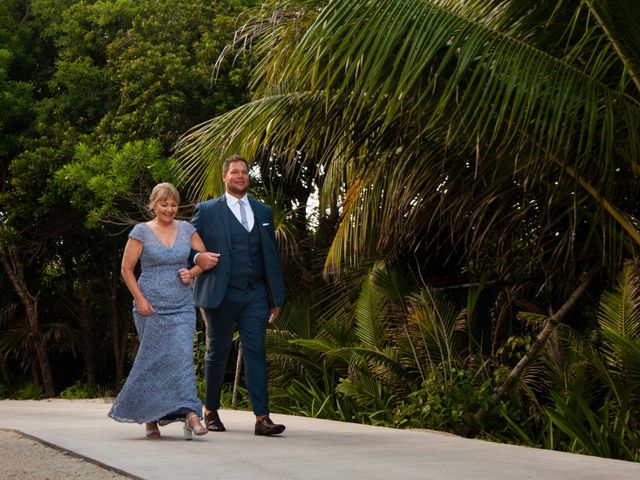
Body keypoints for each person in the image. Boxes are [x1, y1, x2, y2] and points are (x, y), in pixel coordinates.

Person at [191, 154, 286, 436]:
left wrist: (276, 296)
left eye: (244, 172)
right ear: (224, 177)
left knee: (256, 352)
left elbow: (271, 255)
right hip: (220, 293)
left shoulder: (263, 211)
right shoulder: (206, 211)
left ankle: (262, 418)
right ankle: (210, 411)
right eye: (235, 172)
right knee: (217, 353)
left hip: (255, 293)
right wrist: (199, 256)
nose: (241, 176)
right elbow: (187, 245)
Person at [108, 182, 208, 440]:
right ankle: (151, 419)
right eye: (164, 204)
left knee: (183, 357)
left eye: (174, 204)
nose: (170, 209)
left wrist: (193, 271)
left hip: (182, 305)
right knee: (153, 360)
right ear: (153, 205)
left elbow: (203, 257)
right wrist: (139, 299)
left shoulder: (187, 229)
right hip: (149, 305)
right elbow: (126, 269)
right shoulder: (141, 232)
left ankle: (192, 414)